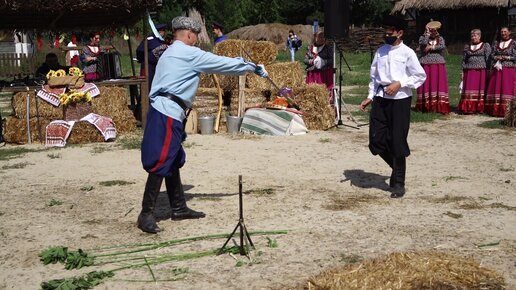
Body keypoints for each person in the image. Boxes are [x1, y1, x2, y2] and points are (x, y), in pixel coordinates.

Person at [137, 16, 269, 234]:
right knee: (161, 159)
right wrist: (251, 67)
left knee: (171, 159)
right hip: (167, 111)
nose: (197, 40)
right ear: (189, 34)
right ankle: (146, 214)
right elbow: (221, 64)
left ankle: (178, 207)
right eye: (196, 36)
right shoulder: (188, 53)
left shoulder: (169, 51)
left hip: (165, 109)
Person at [359, 16, 426, 198]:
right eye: (386, 32)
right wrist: (369, 97)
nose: (387, 35)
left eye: (391, 32)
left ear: (400, 33)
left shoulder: (408, 53)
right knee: (376, 141)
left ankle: (399, 183)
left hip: (400, 100)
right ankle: (396, 167)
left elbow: (420, 76)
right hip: (380, 99)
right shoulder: (380, 51)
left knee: (397, 141)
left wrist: (400, 83)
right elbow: (374, 77)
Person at [415, 21, 450, 114]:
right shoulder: (423, 38)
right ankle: (426, 105)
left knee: (438, 83)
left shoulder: (440, 38)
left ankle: (438, 105)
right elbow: (422, 44)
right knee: (427, 83)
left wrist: (431, 47)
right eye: (431, 30)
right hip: (426, 64)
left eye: (434, 30)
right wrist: (427, 34)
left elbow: (442, 46)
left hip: (438, 64)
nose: (433, 32)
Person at [458, 29, 492, 114]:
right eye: (472, 36)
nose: (473, 37)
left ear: (479, 36)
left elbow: (488, 59)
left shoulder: (485, 46)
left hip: (480, 71)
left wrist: (488, 70)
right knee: (468, 89)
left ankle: (479, 108)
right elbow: (464, 60)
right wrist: (462, 71)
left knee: (480, 89)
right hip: (469, 71)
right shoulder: (467, 46)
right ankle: (468, 108)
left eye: (475, 35)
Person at [485, 26, 516, 117]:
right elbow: (492, 55)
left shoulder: (513, 43)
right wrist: (497, 57)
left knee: (507, 87)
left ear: (509, 32)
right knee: (497, 87)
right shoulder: (496, 43)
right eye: (502, 32)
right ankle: (495, 109)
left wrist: (508, 57)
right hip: (497, 68)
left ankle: (507, 110)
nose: (503, 33)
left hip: (508, 69)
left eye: (505, 31)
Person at [304, 31, 334, 95]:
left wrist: (324, 62)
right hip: (313, 74)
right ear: (315, 38)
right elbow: (305, 60)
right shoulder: (311, 48)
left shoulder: (327, 48)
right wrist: (311, 61)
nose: (322, 39)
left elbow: (332, 61)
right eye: (320, 37)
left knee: (323, 94)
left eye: (323, 37)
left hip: (324, 75)